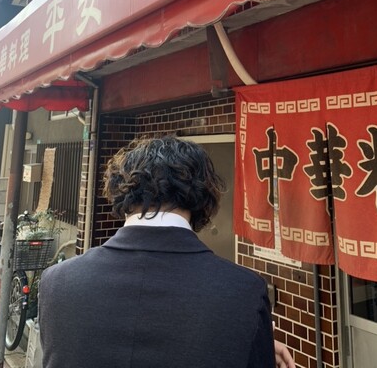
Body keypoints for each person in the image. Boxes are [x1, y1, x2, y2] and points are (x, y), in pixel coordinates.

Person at [39, 136, 295, 368]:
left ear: (121, 191)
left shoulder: (56, 282)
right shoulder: (245, 291)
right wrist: (246, 344)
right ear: (203, 197)